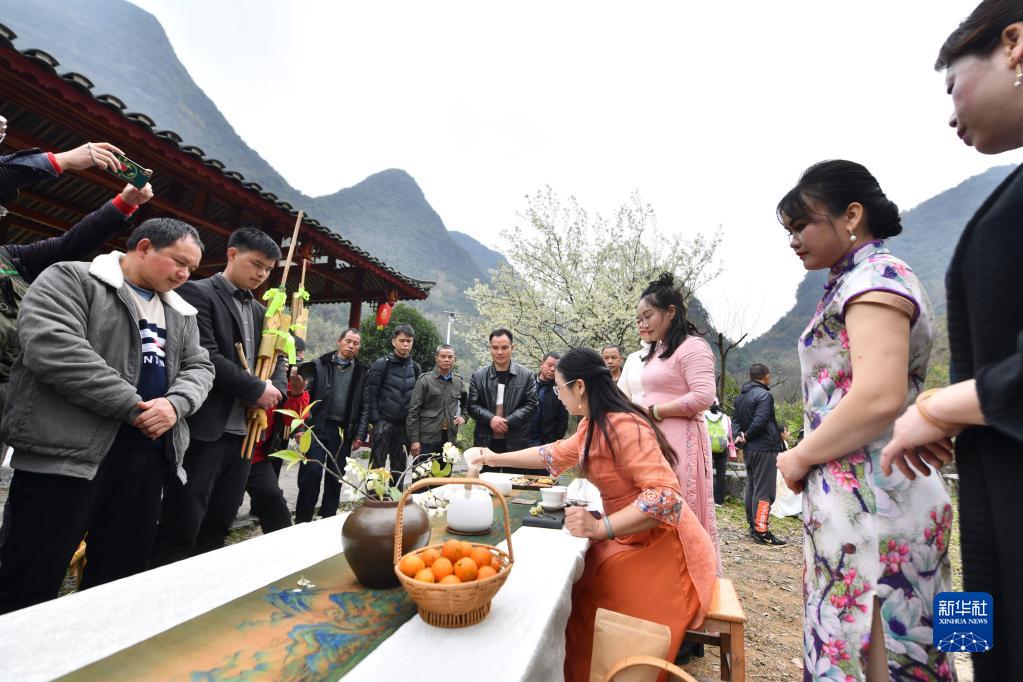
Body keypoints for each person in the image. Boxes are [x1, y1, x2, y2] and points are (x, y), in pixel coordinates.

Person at [878, 9, 1023, 677]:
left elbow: (880, 395)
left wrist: (938, 408)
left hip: (889, 478)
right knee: (963, 616)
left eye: (951, 85)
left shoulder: (878, 285)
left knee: (916, 619)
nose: (949, 114)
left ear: (1014, 44)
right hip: (956, 467)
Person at [775, 160, 955, 680]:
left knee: (877, 649)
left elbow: (879, 395)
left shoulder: (875, 278)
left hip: (874, 499)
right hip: (876, 494)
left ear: (851, 215)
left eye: (802, 225)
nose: (793, 240)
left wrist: (799, 456)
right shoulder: (859, 279)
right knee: (901, 641)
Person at [0, 218, 213, 613]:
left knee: (119, 580)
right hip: (66, 453)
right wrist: (132, 405)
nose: (184, 274)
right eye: (178, 261)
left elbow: (200, 366)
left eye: (192, 268)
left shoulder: (181, 312)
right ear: (144, 246)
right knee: (29, 576)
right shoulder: (73, 279)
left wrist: (175, 404)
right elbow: (53, 346)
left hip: (146, 456)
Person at [465, 348, 716, 682]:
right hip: (628, 536)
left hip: (662, 548)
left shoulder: (623, 425)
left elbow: (665, 499)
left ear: (579, 386)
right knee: (574, 582)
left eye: (560, 388)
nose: (559, 396)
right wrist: (493, 457)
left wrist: (602, 527)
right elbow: (553, 453)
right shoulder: (593, 425)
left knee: (590, 604)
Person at [151, 228, 286, 566]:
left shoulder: (262, 312)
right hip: (205, 429)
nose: (261, 274)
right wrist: (256, 388)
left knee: (220, 519)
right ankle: (165, 583)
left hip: (244, 434)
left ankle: (205, 583)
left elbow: (279, 358)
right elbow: (206, 355)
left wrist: (276, 390)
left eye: (268, 269)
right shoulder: (197, 293)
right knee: (183, 518)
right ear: (232, 254)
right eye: (256, 264)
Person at [636, 273, 720, 566]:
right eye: (639, 319)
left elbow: (703, 396)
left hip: (681, 439)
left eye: (648, 316)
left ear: (670, 312)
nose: (642, 324)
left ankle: (689, 571)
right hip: (655, 438)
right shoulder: (657, 350)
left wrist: (656, 411)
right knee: (655, 501)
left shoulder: (692, 347)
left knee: (679, 503)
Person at [293, 327, 369, 523]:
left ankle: (328, 517)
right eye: (348, 341)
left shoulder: (362, 371)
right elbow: (305, 398)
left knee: (336, 475)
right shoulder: (320, 365)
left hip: (343, 431)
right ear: (339, 341)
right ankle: (303, 519)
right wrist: (300, 429)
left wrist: (360, 433)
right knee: (311, 472)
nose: (351, 346)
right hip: (317, 427)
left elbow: (365, 405)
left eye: (355, 343)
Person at [244, 368, 309, 534]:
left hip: (256, 456)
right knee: (218, 512)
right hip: (225, 450)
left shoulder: (282, 376)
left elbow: (292, 420)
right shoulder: (243, 365)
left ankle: (283, 548)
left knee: (275, 505)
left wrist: (296, 394)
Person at [468, 328, 539, 474]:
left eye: (504, 347)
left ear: (513, 348)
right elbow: (472, 406)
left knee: (515, 481)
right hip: (486, 440)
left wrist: (507, 421)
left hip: (516, 440)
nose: (499, 352)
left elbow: (532, 404)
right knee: (485, 482)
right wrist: (491, 419)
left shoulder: (526, 375)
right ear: (490, 348)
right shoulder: (478, 376)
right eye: (495, 348)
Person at [358, 324, 421, 487]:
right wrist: (376, 420)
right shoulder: (381, 364)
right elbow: (370, 394)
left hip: (404, 427)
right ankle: (373, 499)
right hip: (384, 422)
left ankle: (396, 499)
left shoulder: (415, 368)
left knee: (399, 468)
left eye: (409, 341)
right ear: (394, 342)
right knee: (377, 465)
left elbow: (418, 399)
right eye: (402, 340)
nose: (405, 344)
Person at [732, 364, 787, 546]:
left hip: (749, 449)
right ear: (767, 377)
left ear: (749, 376)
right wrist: (747, 435)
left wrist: (739, 435)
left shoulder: (741, 397)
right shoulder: (765, 395)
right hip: (764, 449)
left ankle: (753, 526)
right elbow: (761, 421)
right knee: (764, 490)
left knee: (752, 488)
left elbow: (735, 421)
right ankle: (762, 530)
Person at [406, 344, 467, 457]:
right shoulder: (425, 380)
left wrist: (463, 417)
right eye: (443, 356)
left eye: (450, 357)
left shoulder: (458, 382)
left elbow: (467, 404)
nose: (446, 360)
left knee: (446, 468)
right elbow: (413, 412)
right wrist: (414, 440)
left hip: (449, 438)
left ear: (454, 359)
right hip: (427, 438)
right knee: (424, 468)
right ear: (436, 358)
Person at [529, 352, 569, 446]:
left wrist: (555, 440)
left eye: (556, 367)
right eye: (549, 365)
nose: (552, 369)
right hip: (523, 438)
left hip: (545, 442)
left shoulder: (560, 388)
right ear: (542, 364)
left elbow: (563, 419)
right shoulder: (528, 381)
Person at [704, 400, 736, 506]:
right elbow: (729, 434)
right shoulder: (726, 418)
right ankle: (718, 500)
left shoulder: (702, 415)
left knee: (705, 472)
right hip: (722, 447)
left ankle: (704, 497)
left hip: (707, 446)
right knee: (721, 474)